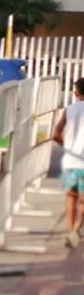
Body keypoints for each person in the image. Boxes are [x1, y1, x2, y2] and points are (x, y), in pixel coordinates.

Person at [54, 78, 84, 248]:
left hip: (70, 161)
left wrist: (69, 146)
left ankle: (71, 229)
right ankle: (77, 229)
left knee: (71, 196)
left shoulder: (69, 110)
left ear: (75, 93)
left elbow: (55, 134)